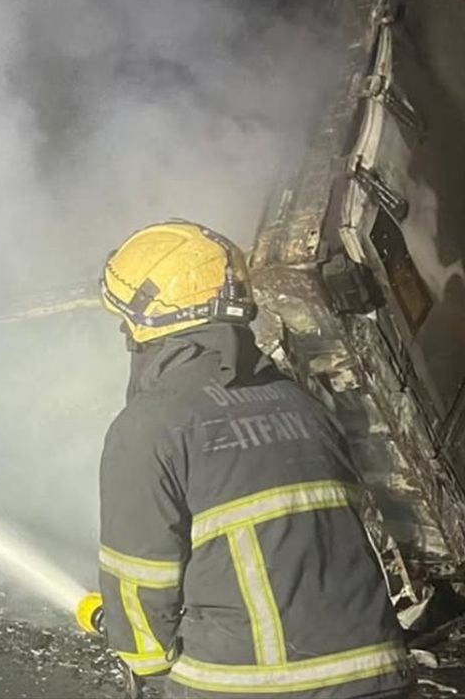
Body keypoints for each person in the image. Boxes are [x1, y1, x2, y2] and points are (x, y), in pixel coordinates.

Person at [95, 220, 410, 698]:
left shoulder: (149, 426)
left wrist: (146, 658)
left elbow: (139, 582)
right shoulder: (300, 404)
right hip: (378, 676)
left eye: (125, 321)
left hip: (258, 685)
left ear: (149, 323)